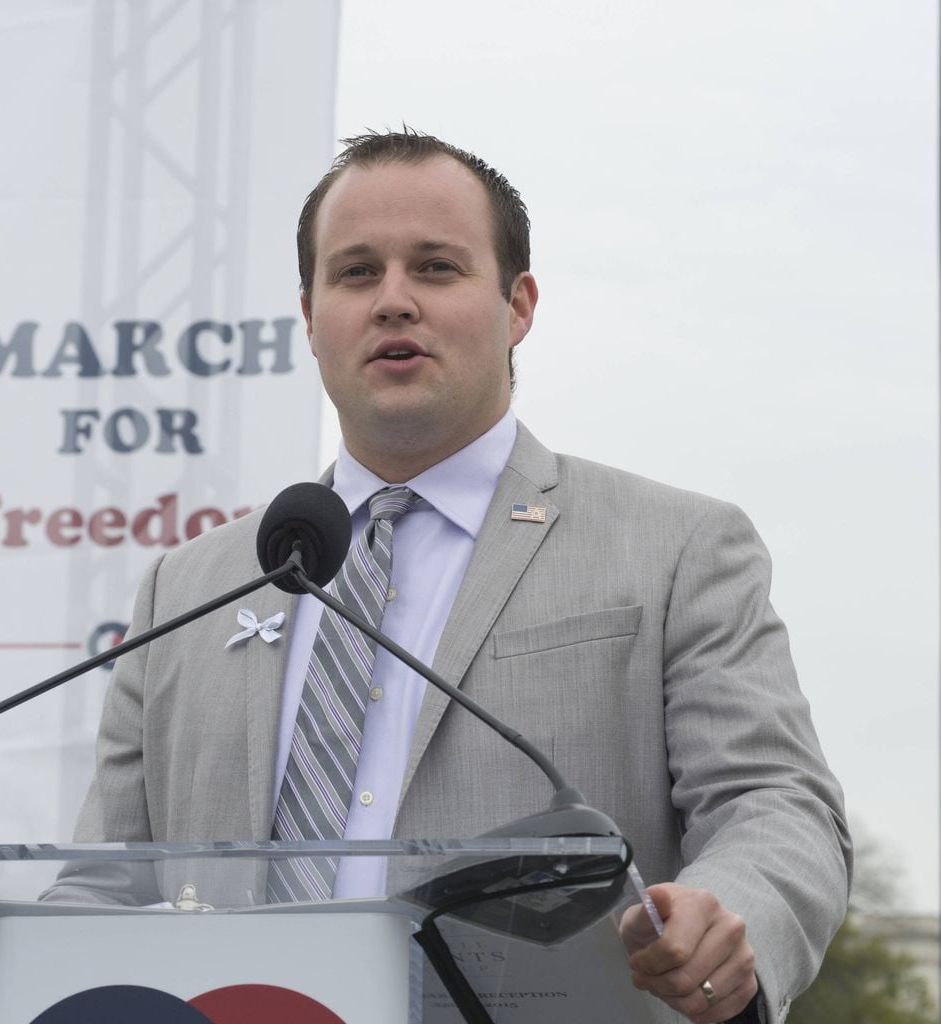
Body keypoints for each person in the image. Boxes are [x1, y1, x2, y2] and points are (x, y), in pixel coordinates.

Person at [46, 130, 851, 1024]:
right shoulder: (188, 588)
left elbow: (776, 803)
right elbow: (103, 887)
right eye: (355, 273)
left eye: (435, 267)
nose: (394, 301)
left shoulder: (677, 547)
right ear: (309, 315)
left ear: (519, 305)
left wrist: (730, 913)